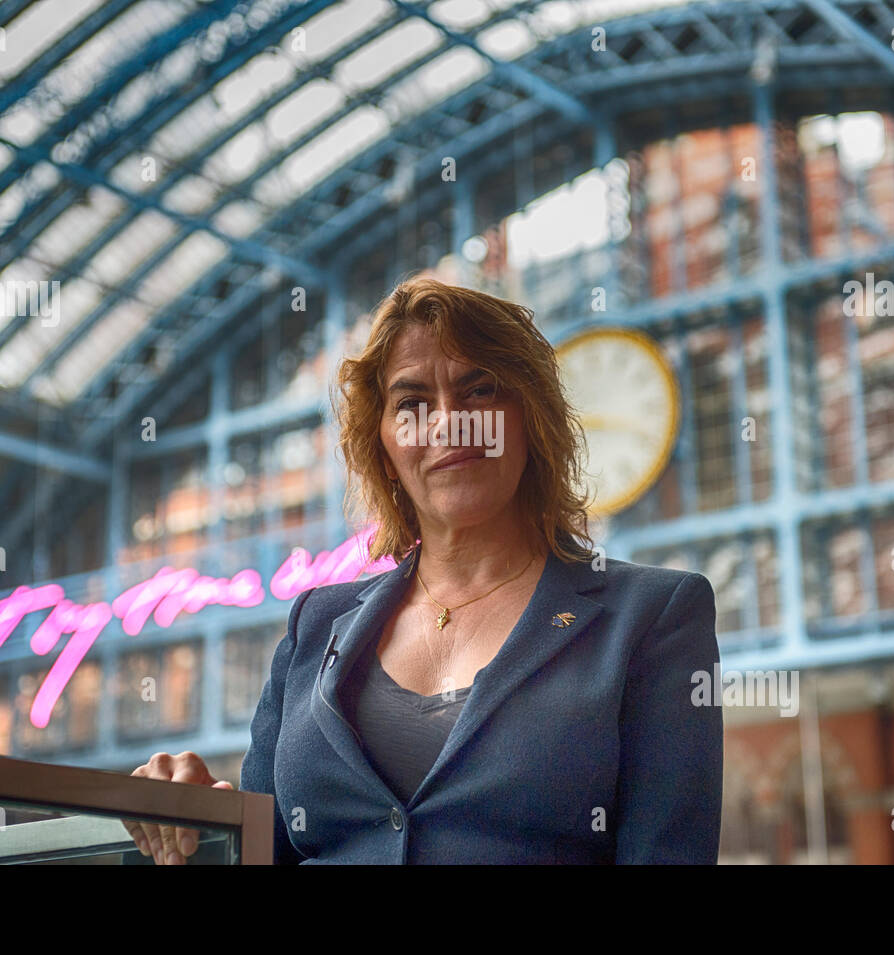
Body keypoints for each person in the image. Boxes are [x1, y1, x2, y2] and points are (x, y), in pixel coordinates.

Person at [124, 276, 722, 863]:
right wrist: (192, 815)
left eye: (480, 390)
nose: (448, 422)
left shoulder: (654, 615)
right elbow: (263, 854)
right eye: (411, 403)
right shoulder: (315, 623)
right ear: (383, 446)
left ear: (531, 420)